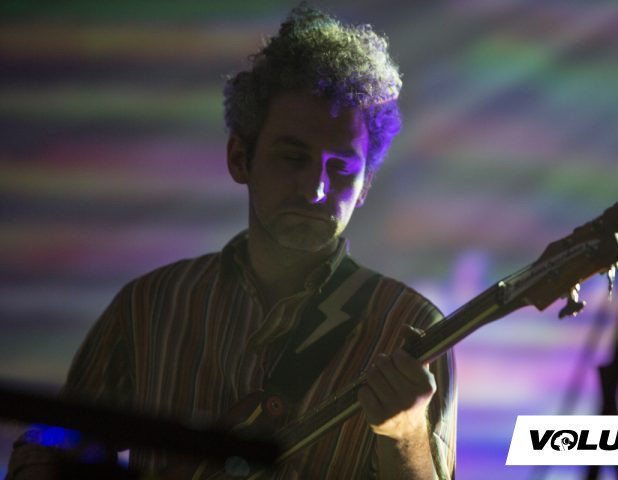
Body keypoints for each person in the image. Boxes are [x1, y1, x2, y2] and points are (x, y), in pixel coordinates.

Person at [7, 5, 457, 479]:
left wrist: (406, 435)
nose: (316, 189)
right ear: (240, 158)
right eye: (292, 157)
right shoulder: (149, 307)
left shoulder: (410, 328)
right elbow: (56, 442)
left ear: (365, 186)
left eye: (342, 168)